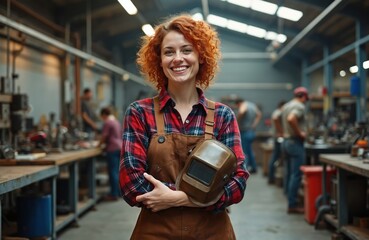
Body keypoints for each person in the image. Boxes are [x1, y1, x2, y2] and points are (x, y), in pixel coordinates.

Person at [119, 14, 249, 239]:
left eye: (187, 50)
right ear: (159, 60)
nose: (178, 58)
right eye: (169, 52)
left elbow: (238, 183)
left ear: (201, 56)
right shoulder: (140, 113)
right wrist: (206, 196)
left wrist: (175, 198)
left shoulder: (222, 115)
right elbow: (131, 185)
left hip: (212, 233)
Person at [281, 86, 309, 214]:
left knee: (289, 172)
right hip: (295, 142)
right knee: (296, 174)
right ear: (303, 96)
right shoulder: (299, 106)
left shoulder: (287, 105)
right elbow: (291, 119)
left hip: (286, 141)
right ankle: (292, 204)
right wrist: (300, 133)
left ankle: (289, 197)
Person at [98, 107, 122, 201]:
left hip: (112, 148)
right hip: (119, 147)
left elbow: (104, 136)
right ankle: (119, 192)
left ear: (104, 115)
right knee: (117, 171)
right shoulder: (116, 121)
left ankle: (113, 194)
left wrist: (98, 145)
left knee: (112, 172)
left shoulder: (108, 122)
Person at [236, 98, 262, 173]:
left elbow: (241, 111)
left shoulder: (244, 105)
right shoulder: (252, 105)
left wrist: (236, 121)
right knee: (249, 150)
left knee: (244, 152)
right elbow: (259, 114)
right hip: (251, 131)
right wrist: (254, 124)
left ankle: (244, 170)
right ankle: (254, 167)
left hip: (245, 131)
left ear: (239, 103)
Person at [268, 100, 286, 184]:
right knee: (275, 157)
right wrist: (281, 132)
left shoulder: (277, 111)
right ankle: (271, 177)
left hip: (277, 137)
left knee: (275, 157)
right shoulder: (279, 112)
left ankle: (272, 177)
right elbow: (275, 119)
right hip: (278, 138)